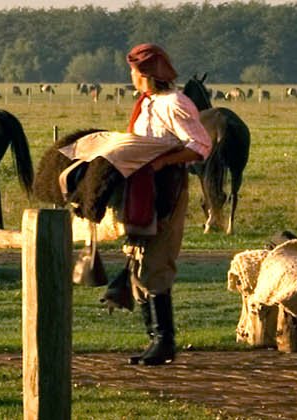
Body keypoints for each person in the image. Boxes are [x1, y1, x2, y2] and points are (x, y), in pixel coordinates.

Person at [79, 43, 211, 366]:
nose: (131, 76)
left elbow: (200, 146)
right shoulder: (146, 103)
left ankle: (165, 342)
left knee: (157, 263)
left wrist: (163, 163)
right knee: (137, 262)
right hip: (141, 190)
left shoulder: (175, 104)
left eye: (134, 71)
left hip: (166, 190)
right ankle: (153, 339)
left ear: (147, 74)